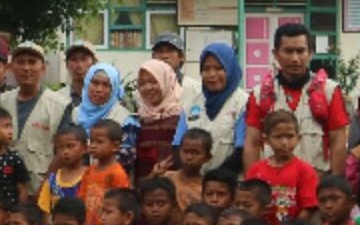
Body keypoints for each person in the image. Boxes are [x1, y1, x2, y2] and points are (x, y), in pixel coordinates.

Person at [244, 23, 348, 174]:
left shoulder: (329, 91)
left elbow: (338, 141)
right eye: (288, 51)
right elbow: (252, 144)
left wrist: (335, 185)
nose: (294, 58)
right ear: (275, 54)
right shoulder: (260, 94)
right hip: (272, 185)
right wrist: (252, 188)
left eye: (300, 51)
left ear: (310, 53)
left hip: (316, 184)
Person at [2, 43, 73, 182]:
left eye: (32, 62)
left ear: (43, 68)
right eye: (20, 62)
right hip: (4, 185)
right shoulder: (1, 101)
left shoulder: (60, 105)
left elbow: (63, 152)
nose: (26, 68)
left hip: (39, 185)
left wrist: (44, 187)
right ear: (11, 68)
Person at [243, 108, 321, 223]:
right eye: (278, 137)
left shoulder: (305, 171)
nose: (284, 142)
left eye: (290, 136)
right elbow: (247, 203)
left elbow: (308, 208)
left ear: (298, 138)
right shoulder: (256, 170)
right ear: (266, 140)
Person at [128, 60, 188, 179]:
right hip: (144, 188)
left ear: (166, 81)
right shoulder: (138, 119)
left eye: (153, 81)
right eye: (142, 83)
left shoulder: (183, 118)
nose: (148, 88)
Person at [188, 42, 243, 172]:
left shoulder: (244, 103)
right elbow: (177, 144)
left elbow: (242, 148)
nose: (212, 74)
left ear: (230, 69)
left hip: (229, 183)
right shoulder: (191, 103)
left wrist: (215, 179)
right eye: (206, 69)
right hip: (194, 182)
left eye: (219, 68)